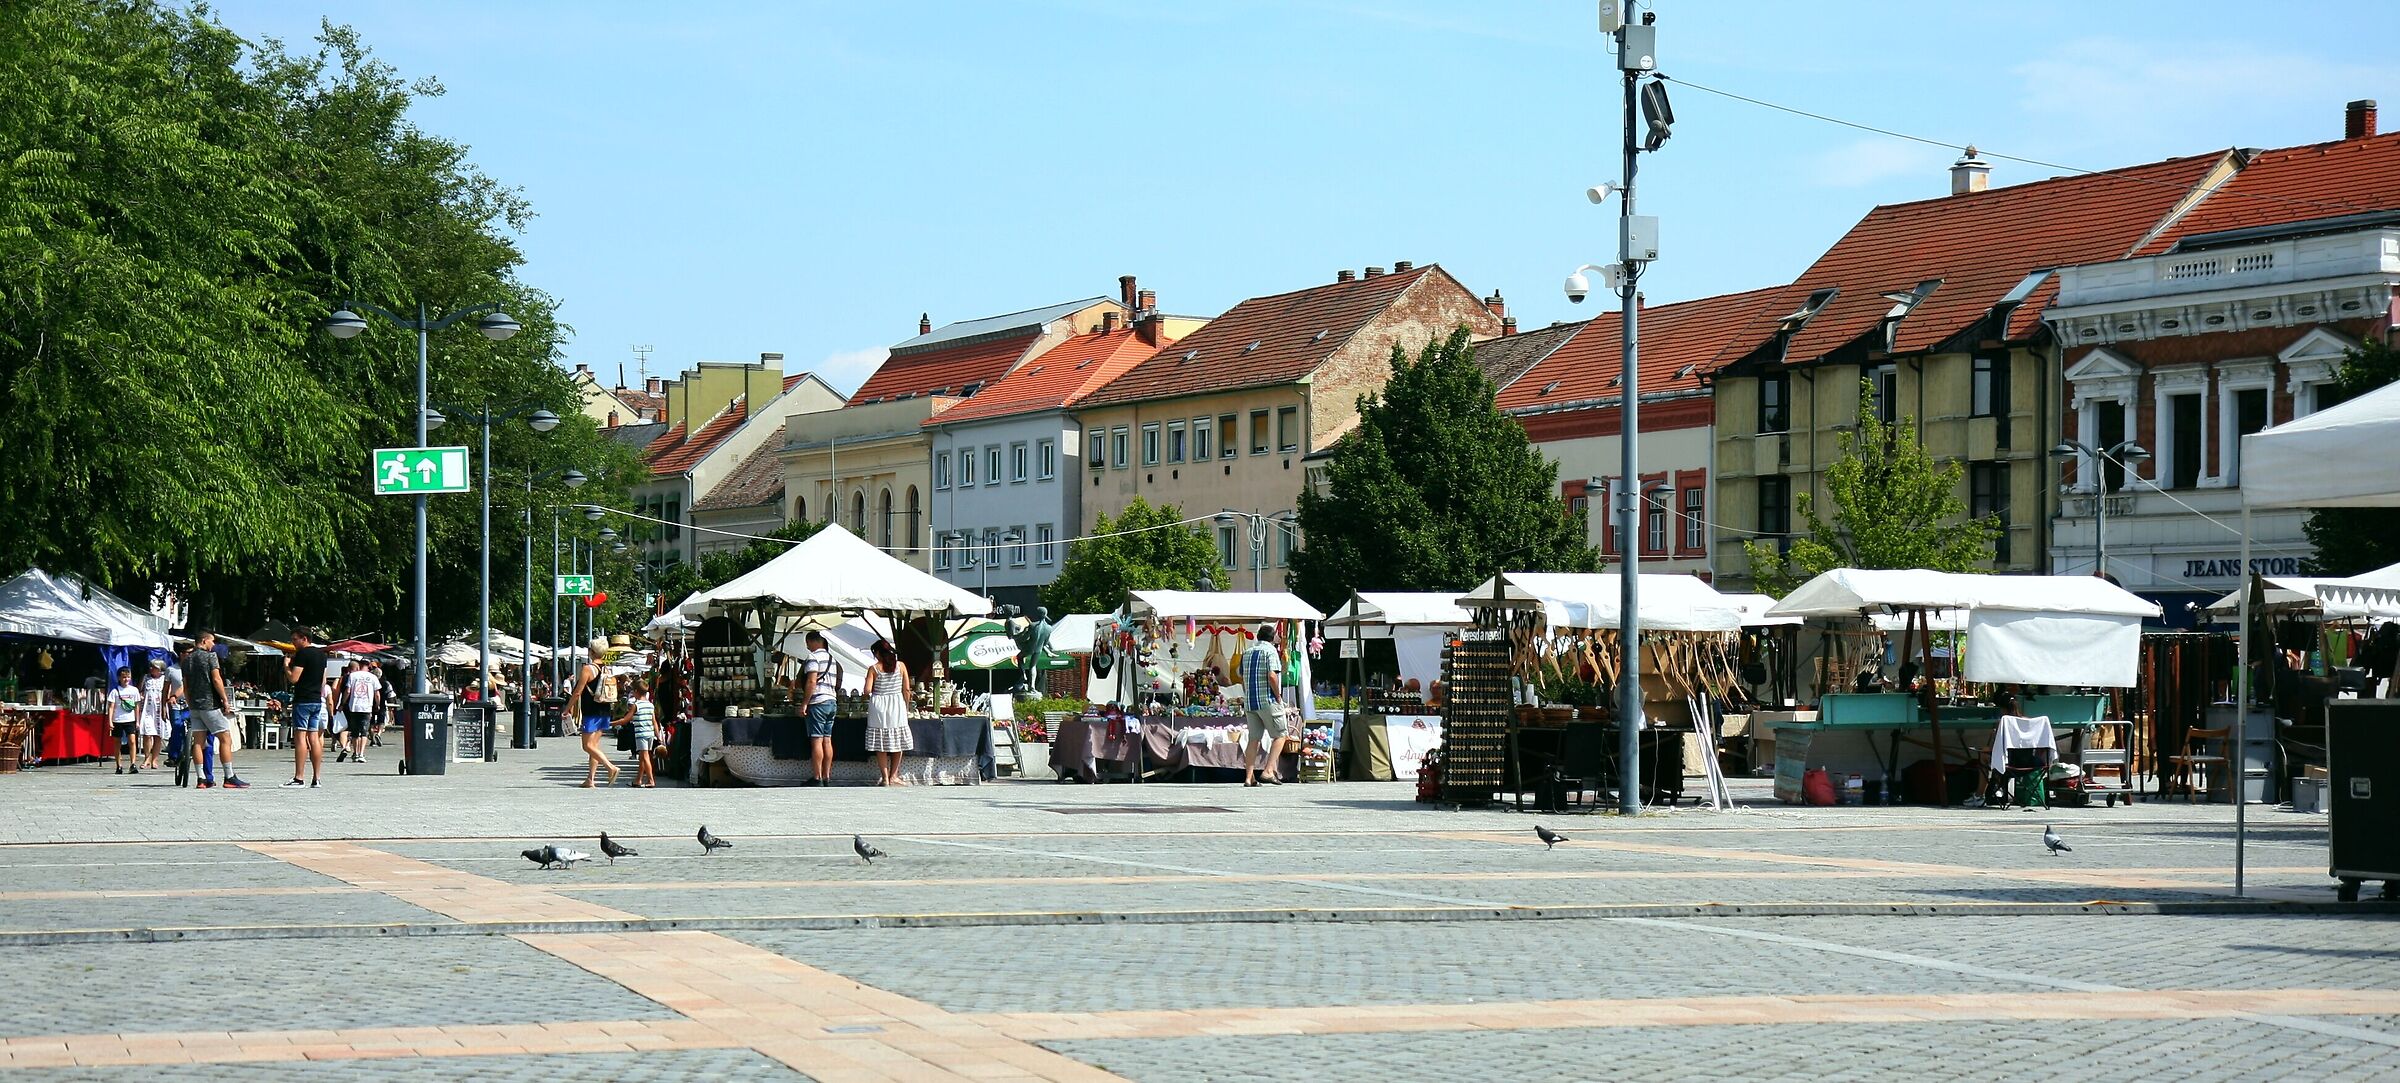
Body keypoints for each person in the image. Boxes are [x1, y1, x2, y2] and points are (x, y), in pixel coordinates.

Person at [183, 631, 246, 789]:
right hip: (209, 704)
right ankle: (229, 776)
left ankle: (201, 779)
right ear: (204, 641)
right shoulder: (210, 657)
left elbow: (186, 685)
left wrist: (190, 702)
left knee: (198, 742)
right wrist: (225, 699)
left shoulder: (187, 659)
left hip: (195, 705)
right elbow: (216, 679)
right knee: (225, 738)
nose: (213, 644)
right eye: (212, 641)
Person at [568, 637, 618, 788]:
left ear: (592, 652)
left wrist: (567, 708)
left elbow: (578, 692)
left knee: (587, 746)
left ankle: (610, 767)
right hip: (604, 709)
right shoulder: (606, 668)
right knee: (594, 746)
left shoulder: (588, 669)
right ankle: (590, 779)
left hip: (591, 711)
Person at [1240, 625, 1286, 787]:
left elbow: (1242, 677)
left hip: (1250, 702)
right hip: (1267, 700)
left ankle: (1249, 778)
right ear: (1272, 638)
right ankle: (1268, 771)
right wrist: (1278, 696)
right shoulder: (1270, 651)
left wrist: (1247, 694)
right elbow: (1272, 676)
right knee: (1280, 735)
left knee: (1253, 739)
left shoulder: (1247, 652)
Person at [863, 639, 912, 786]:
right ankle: (894, 776)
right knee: (898, 740)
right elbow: (906, 689)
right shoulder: (901, 666)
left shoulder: (873, 668)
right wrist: (906, 706)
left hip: (879, 705)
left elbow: (867, 690)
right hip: (896, 704)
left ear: (878, 653)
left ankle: (884, 778)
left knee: (880, 743)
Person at [284, 627, 328, 788]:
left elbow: (294, 678)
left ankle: (299, 777)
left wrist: (286, 666)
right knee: (314, 738)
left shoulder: (302, 654)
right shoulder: (322, 655)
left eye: (295, 639)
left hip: (303, 700)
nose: (293, 643)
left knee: (300, 738)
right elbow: (324, 681)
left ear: (304, 638)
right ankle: (316, 778)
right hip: (317, 700)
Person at [800, 630, 840, 786]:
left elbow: (811, 682)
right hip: (832, 701)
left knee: (816, 740)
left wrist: (804, 703)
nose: (807, 646)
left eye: (808, 643)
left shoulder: (813, 657)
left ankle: (817, 778)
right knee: (827, 740)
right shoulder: (832, 659)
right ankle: (827, 776)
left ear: (813, 641)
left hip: (818, 702)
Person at [613, 677, 658, 788]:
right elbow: (654, 722)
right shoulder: (650, 705)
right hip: (650, 734)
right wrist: (658, 736)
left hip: (641, 734)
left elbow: (625, 720)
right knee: (643, 757)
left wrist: (610, 723)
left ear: (636, 691)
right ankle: (638, 780)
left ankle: (651, 780)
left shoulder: (636, 705)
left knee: (645, 757)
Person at [339, 659, 380, 765]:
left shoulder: (353, 676)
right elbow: (377, 694)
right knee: (364, 731)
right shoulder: (373, 677)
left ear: (359, 666)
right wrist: (377, 704)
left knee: (355, 732)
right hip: (366, 707)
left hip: (354, 706)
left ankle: (356, 753)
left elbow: (348, 691)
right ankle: (361, 754)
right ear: (369, 667)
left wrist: (342, 703)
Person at [135, 656, 173, 771]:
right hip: (147, 709)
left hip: (159, 708)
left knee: (158, 735)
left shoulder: (164, 679)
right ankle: (147, 757)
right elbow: (139, 691)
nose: (151, 669)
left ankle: (155, 759)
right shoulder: (146, 678)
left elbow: (168, 692)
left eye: (154, 667)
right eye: (151, 667)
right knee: (147, 734)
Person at [109, 666, 140, 775]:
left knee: (132, 741)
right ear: (119, 678)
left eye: (128, 677)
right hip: (117, 719)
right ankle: (119, 765)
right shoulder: (114, 691)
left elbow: (137, 706)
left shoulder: (134, 690)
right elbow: (111, 707)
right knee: (117, 743)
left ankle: (133, 764)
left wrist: (137, 720)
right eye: (124, 677)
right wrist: (110, 721)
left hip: (130, 719)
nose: (126, 679)